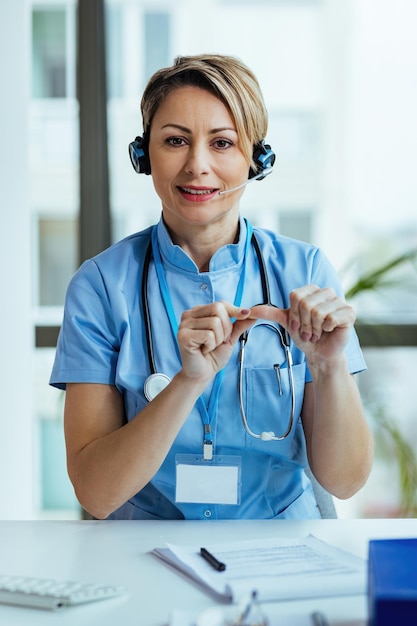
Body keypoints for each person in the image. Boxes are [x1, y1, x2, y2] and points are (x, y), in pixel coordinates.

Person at [50, 54, 373, 521]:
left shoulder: (305, 271)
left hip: (279, 546)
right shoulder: (100, 285)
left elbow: (345, 481)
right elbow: (97, 494)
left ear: (256, 159)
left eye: (222, 143)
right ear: (144, 155)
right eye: (175, 141)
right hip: (147, 549)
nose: (197, 165)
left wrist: (329, 365)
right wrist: (189, 381)